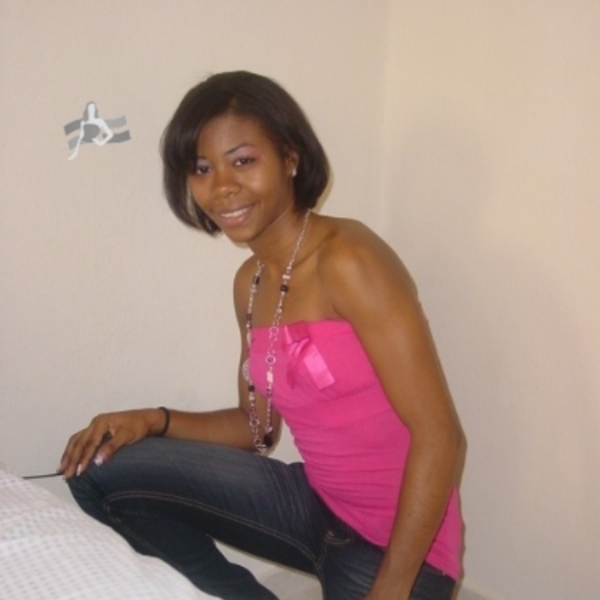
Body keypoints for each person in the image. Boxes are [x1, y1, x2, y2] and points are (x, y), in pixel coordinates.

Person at [60, 71, 465, 600]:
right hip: (314, 505)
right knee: (98, 469)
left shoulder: (350, 259)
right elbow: (257, 429)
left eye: (243, 160)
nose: (221, 186)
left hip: (398, 549)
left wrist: (391, 588)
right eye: (202, 168)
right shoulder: (250, 283)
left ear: (290, 158)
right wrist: (152, 420)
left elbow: (440, 435)